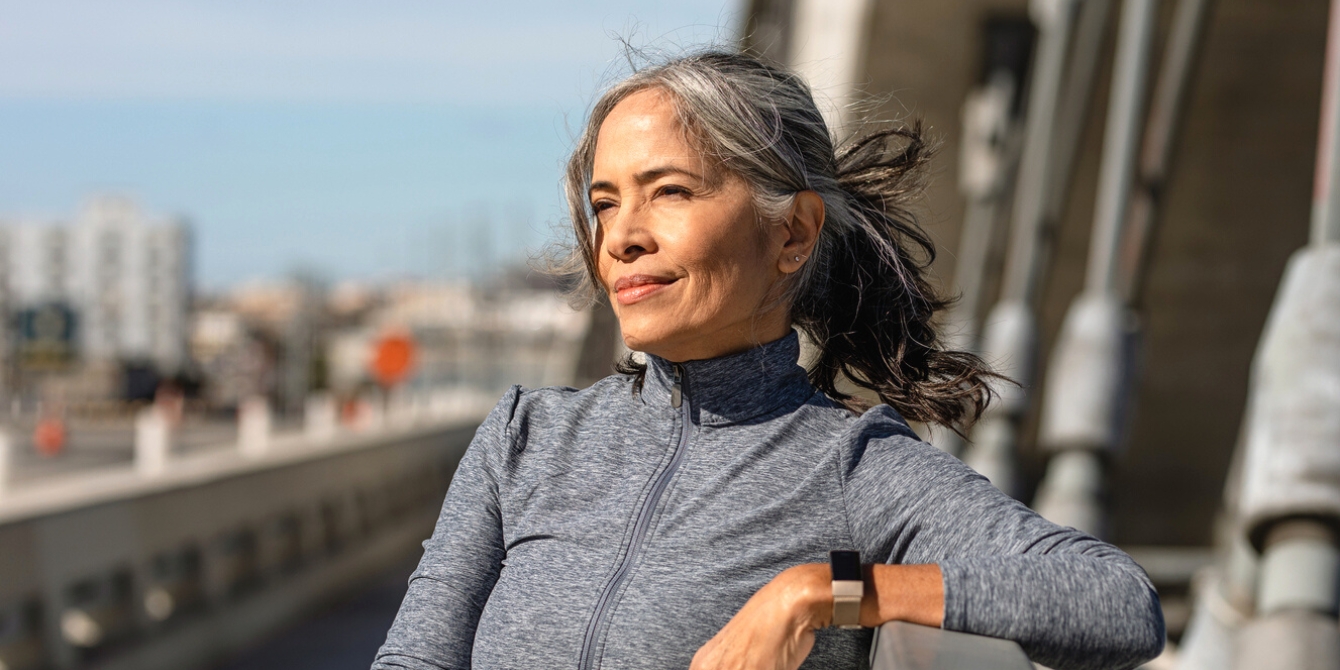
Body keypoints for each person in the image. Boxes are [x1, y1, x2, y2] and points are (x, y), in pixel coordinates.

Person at [371, 50, 1164, 670]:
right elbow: (415, 657)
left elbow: (1116, 603)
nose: (622, 236)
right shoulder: (527, 438)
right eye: (607, 201)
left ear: (792, 234)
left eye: (670, 192)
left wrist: (829, 590)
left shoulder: (854, 468)